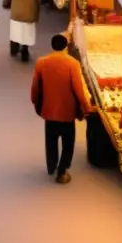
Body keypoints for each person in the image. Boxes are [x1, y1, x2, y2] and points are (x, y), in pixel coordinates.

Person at [30, 34, 93, 185]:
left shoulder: (41, 63)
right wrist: (85, 107)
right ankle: (62, 170)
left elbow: (35, 89)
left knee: (50, 141)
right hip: (67, 112)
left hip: (49, 112)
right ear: (66, 47)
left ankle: (51, 166)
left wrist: (36, 103)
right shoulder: (72, 63)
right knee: (68, 143)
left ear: (52, 46)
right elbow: (79, 90)